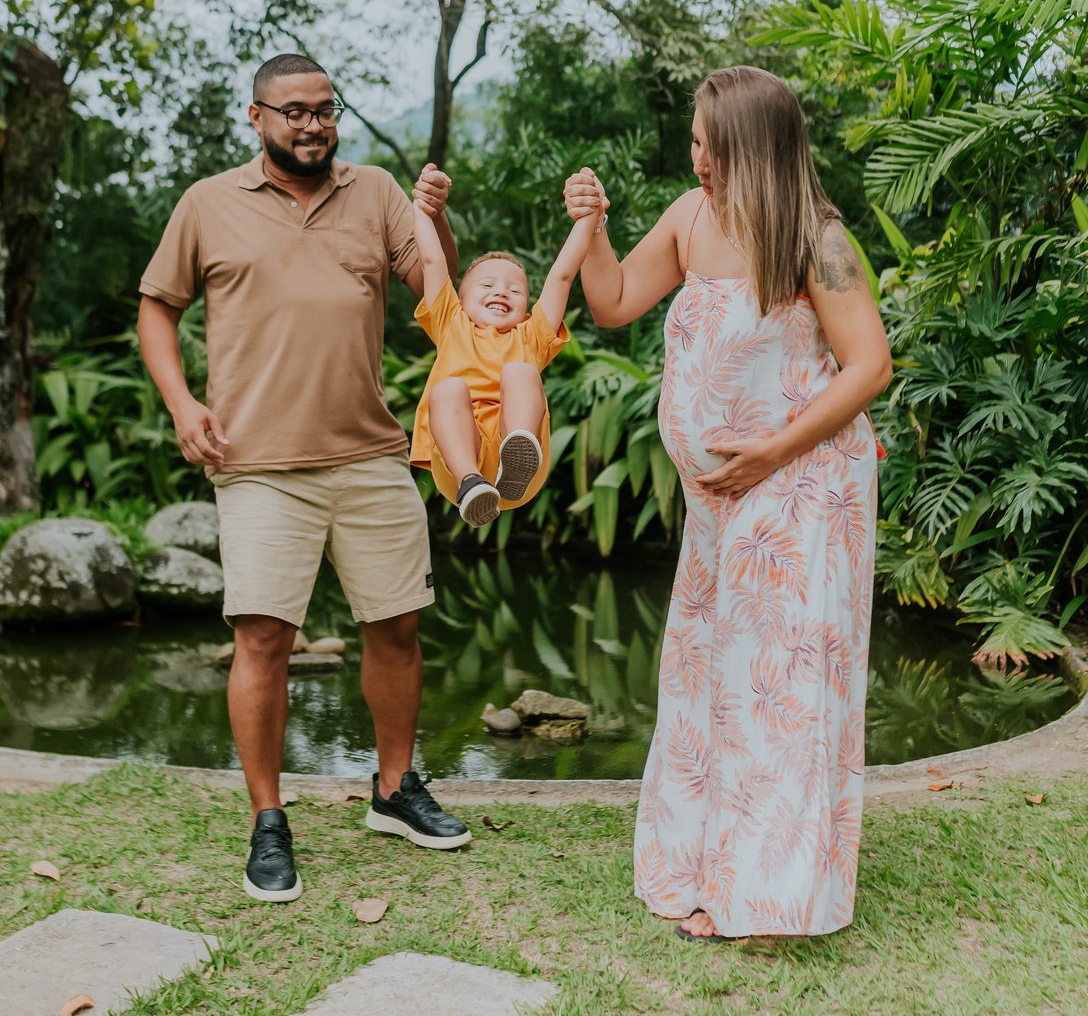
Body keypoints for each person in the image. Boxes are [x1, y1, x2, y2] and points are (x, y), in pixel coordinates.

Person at [564, 66, 892, 941]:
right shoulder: (690, 217)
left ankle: (761, 892)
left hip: (803, 490)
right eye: (695, 143)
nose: (697, 160)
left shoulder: (815, 238)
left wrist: (772, 453)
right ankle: (703, 863)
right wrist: (593, 230)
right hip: (721, 507)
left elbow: (869, 366)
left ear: (753, 147)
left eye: (710, 145)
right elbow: (612, 302)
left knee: (776, 685)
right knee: (710, 676)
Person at [138, 53, 473, 906]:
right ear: (256, 117)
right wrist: (181, 403)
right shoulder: (207, 203)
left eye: (325, 109)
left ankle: (394, 789)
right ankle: (268, 821)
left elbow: (437, 293)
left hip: (369, 453)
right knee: (263, 639)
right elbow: (158, 307)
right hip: (256, 463)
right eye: (294, 111)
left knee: (397, 626)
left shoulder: (377, 193)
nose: (313, 124)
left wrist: (435, 221)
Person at [409, 193, 601, 526]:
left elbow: (562, 275)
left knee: (519, 372)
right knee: (448, 389)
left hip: (519, 472)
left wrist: (589, 216)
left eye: (515, 290)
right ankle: (471, 482)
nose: (501, 292)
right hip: (457, 462)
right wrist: (421, 209)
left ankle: (518, 453)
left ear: (526, 310)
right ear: (459, 301)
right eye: (487, 284)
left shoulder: (531, 335)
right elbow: (431, 261)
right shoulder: (451, 323)